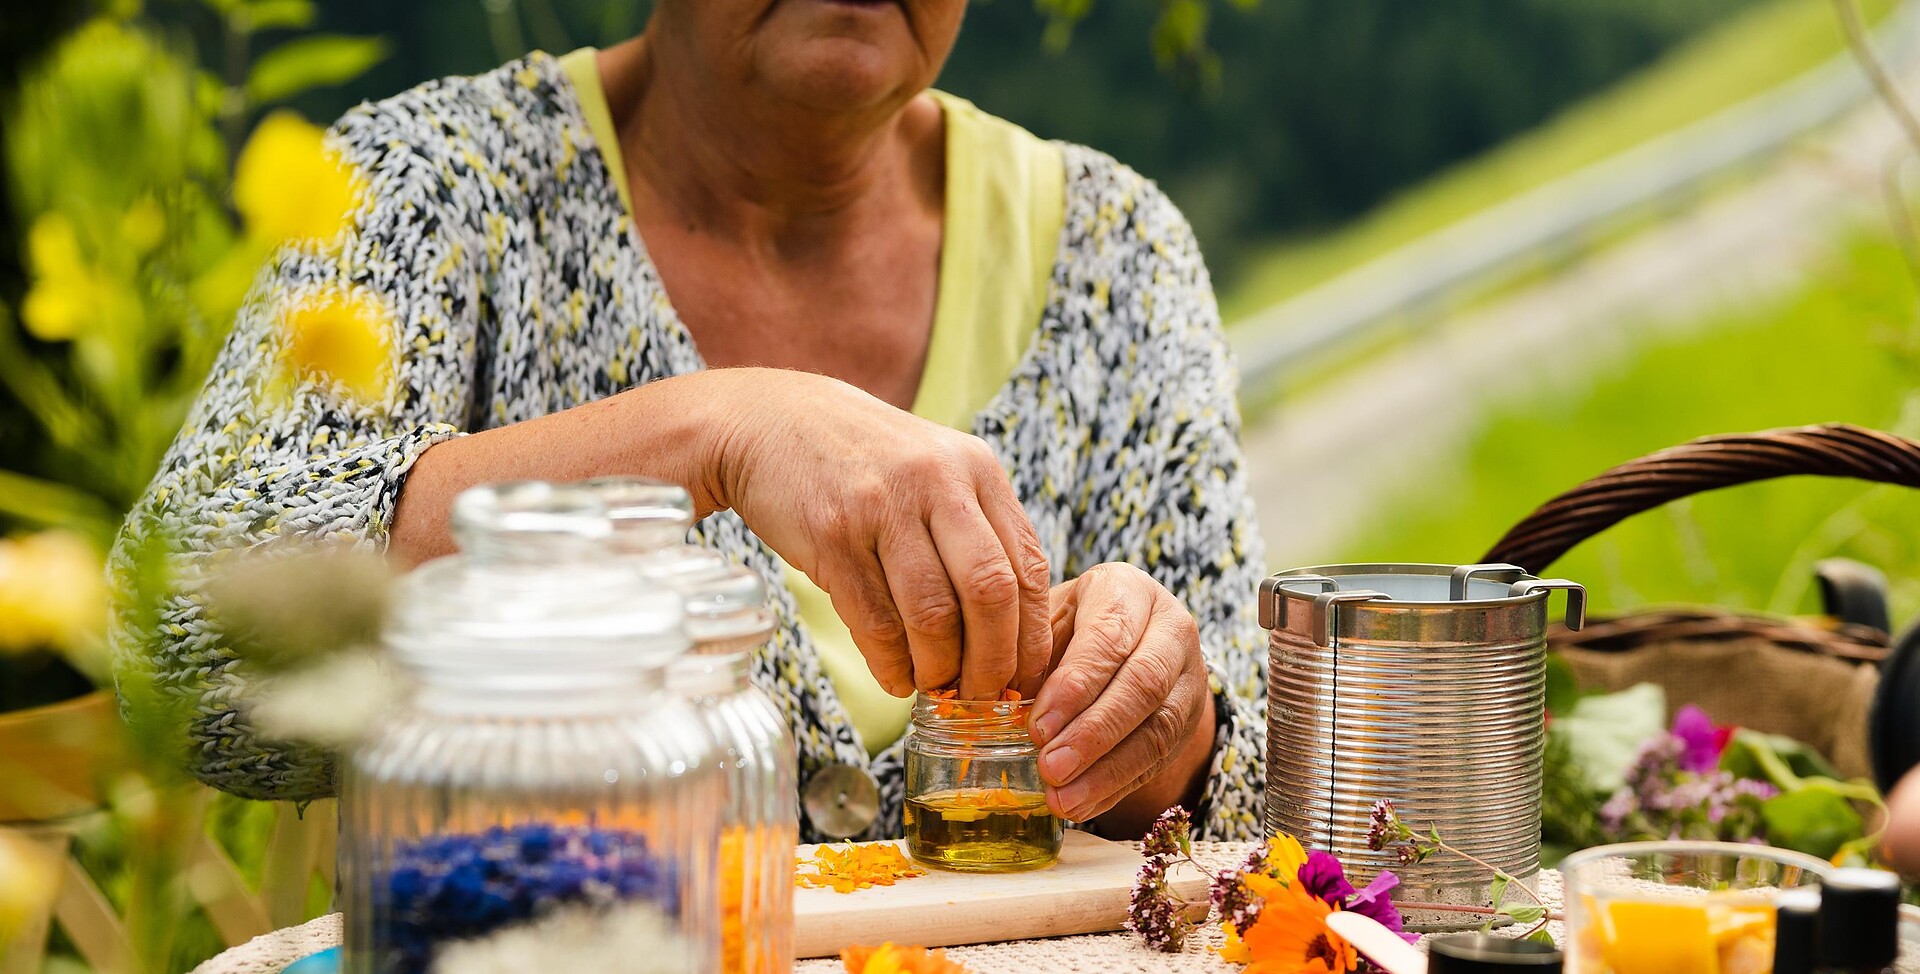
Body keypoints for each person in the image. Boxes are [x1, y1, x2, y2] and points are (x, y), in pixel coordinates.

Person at [115, 0, 1267, 843]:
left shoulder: (1117, 249)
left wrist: (1171, 731)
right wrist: (713, 431)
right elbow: (180, 651)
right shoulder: (429, 187)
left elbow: (1250, 785)